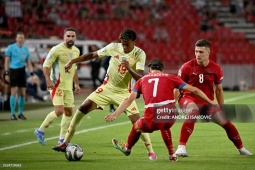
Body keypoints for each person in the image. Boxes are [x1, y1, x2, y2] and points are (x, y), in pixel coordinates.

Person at [52, 29, 157, 160]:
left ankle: (151, 151)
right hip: (106, 89)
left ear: (134, 42)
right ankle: (65, 143)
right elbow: (92, 55)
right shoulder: (113, 47)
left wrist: (129, 67)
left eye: (127, 44)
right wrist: (73, 61)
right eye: (123, 44)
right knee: (81, 109)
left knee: (138, 123)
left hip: (124, 92)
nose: (124, 47)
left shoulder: (139, 54)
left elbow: (140, 77)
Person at [104, 59, 216, 161]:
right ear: (162, 70)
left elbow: (128, 100)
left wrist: (115, 114)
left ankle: (127, 148)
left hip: (152, 117)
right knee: (164, 125)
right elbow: (195, 90)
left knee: (137, 126)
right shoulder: (171, 77)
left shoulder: (142, 80)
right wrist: (211, 102)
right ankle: (172, 155)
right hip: (171, 116)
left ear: (149, 69)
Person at [174, 39, 253, 156]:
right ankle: (181, 148)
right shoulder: (186, 67)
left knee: (225, 122)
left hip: (207, 102)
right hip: (188, 98)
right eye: (196, 51)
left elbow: (219, 90)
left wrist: (222, 108)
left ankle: (241, 148)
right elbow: (177, 87)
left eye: (201, 52)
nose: (197, 54)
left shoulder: (216, 68)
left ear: (208, 53)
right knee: (193, 112)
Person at [34, 27, 81, 145]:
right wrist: (48, 80)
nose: (70, 38)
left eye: (72, 36)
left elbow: (74, 68)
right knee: (59, 111)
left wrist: (76, 84)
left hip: (68, 87)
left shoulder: (76, 51)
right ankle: (40, 130)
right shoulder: (56, 50)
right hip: (56, 85)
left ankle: (61, 139)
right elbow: (45, 66)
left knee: (69, 112)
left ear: (75, 38)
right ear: (64, 37)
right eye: (68, 36)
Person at [4, 31, 34, 120]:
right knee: (14, 90)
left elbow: (28, 62)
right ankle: (13, 114)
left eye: (22, 38)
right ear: (16, 39)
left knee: (22, 93)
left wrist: (32, 74)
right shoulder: (10, 48)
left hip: (22, 71)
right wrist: (6, 73)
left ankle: (20, 113)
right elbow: (7, 61)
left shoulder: (25, 49)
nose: (20, 39)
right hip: (13, 70)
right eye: (19, 37)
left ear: (23, 39)